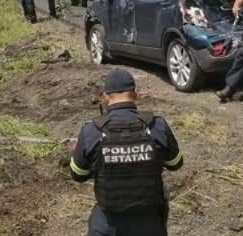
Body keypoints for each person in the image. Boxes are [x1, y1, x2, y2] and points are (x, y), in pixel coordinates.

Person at [70, 68, 183, 236]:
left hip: (107, 226)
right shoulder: (157, 126)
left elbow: (78, 174)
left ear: (105, 97)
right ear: (136, 94)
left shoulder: (90, 131)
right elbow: (175, 163)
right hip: (149, 224)